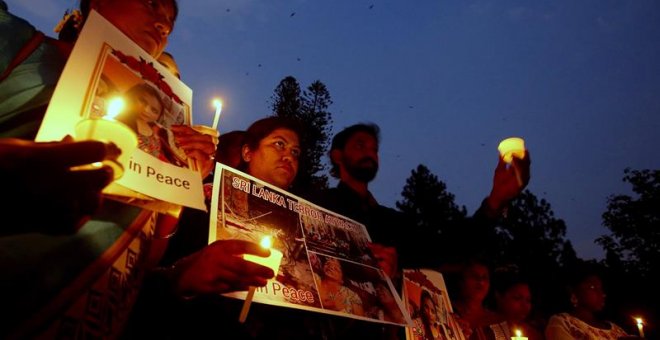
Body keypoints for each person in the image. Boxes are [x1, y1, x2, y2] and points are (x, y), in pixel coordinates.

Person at [0, 1, 219, 338]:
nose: (164, 23)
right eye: (151, 3)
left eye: (171, 22)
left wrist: (182, 183)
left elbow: (143, 261)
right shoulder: (15, 44)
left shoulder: (164, 132)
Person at [124, 117, 309, 339]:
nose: (289, 156)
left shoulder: (301, 228)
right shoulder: (203, 197)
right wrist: (182, 278)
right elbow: (148, 267)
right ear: (248, 153)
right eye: (279, 144)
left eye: (296, 152)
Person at [545, 266, 634, 340]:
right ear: (573, 293)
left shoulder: (615, 329)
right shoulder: (563, 322)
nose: (602, 294)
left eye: (601, 288)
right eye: (592, 287)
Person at [449, 259, 508, 340]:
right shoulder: (448, 310)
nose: (480, 281)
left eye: (485, 277)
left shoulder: (497, 321)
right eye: (474, 276)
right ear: (461, 281)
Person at [492, 270, 544, 340]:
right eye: (517, 298)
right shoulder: (486, 329)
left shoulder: (534, 334)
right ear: (499, 296)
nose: (525, 306)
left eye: (528, 300)